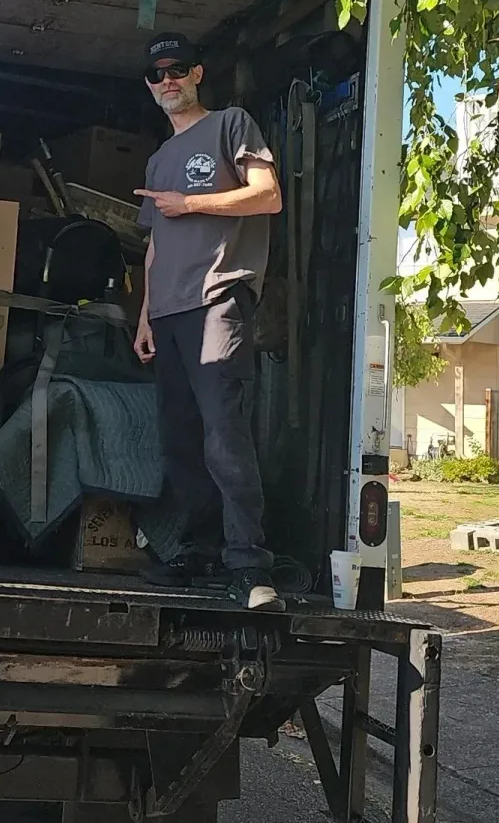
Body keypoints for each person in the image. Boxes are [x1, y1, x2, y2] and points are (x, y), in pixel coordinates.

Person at [130, 31, 285, 611]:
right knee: (180, 442)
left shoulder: (230, 124)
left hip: (219, 299)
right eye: (155, 73)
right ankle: (195, 550)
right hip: (168, 312)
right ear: (149, 86)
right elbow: (153, 246)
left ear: (196, 74)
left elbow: (266, 196)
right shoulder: (157, 158)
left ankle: (250, 567)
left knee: (224, 435)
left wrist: (190, 202)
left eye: (176, 69)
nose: (166, 79)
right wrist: (145, 315)